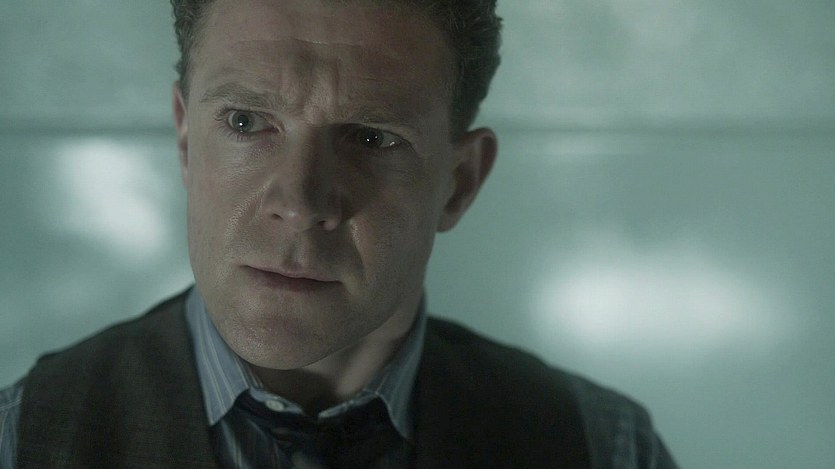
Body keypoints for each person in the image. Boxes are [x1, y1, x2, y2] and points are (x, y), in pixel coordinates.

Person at [0, 0, 678, 467]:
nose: (299, 202)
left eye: (370, 137)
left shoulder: (606, 449)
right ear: (185, 141)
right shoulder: (19, 441)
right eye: (245, 122)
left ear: (459, 182)